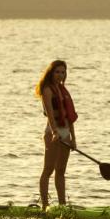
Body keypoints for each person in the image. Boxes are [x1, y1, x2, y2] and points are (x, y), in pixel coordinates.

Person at [34, 60, 78, 211]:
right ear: (51, 73)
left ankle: (62, 206)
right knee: (48, 170)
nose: (60, 75)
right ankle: (45, 206)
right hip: (53, 133)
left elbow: (70, 118)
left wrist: (73, 138)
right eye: (57, 72)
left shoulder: (63, 90)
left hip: (65, 134)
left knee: (60, 171)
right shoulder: (48, 90)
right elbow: (50, 115)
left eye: (63, 72)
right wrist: (54, 132)